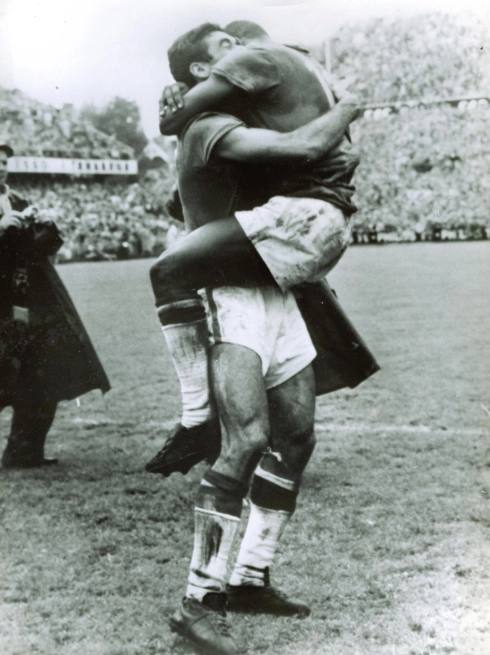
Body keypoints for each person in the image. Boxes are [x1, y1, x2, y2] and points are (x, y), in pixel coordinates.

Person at [145, 22, 373, 476]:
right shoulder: (211, 123)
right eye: (225, 46)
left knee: (288, 436)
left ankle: (204, 428)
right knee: (257, 436)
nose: (240, 49)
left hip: (253, 263)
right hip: (231, 281)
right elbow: (301, 145)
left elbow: (181, 197)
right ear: (205, 69)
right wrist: (347, 106)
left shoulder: (231, 118)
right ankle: (197, 422)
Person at [0, 143, 110, 468]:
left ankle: (24, 452)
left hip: (30, 302)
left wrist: (45, 227)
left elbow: (42, 251)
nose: (1, 167)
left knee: (38, 375)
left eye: (4, 162)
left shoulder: (19, 200)